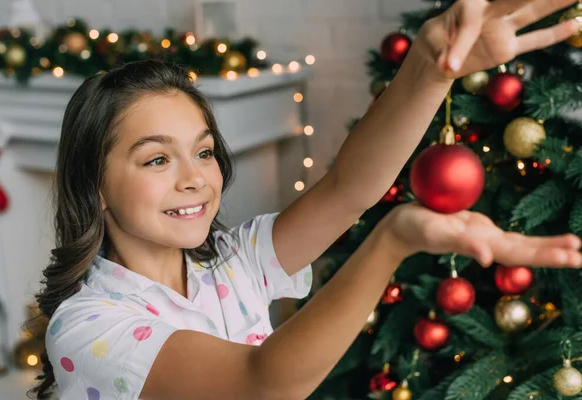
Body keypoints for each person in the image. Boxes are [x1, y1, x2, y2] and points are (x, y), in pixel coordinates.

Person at [29, 0, 582, 399]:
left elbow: (348, 188)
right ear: (95, 185)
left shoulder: (230, 261)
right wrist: (391, 242)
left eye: (203, 152)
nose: (194, 178)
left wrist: (431, 65)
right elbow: (260, 383)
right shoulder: (86, 327)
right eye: (156, 159)